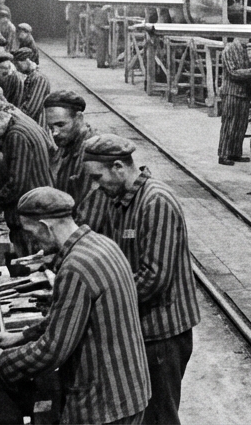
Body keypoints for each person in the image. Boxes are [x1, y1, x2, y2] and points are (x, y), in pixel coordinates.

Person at [0, 187, 150, 425]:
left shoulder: (75, 267)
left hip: (103, 404)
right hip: (128, 390)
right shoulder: (102, 245)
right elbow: (67, 317)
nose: (32, 241)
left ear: (45, 226)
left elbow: (53, 350)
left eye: (31, 232)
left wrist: (3, 360)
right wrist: (21, 336)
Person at [77, 136, 200, 425]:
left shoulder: (156, 202)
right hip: (139, 328)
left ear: (119, 166)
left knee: (159, 417)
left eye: (97, 177)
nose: (95, 185)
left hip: (162, 333)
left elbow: (153, 278)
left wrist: (99, 301)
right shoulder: (118, 200)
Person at [0, 100, 53, 256]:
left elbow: (16, 183)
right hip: (37, 207)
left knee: (28, 260)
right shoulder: (21, 123)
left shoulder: (16, 135)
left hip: (29, 214)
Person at [45, 91, 94, 202]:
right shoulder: (66, 144)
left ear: (79, 118)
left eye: (60, 125)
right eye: (50, 127)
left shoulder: (91, 154)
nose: (54, 133)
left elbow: (87, 213)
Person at [217, 37, 251, 166]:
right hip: (231, 92)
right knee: (229, 124)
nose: (249, 39)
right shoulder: (228, 50)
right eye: (246, 36)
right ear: (239, 36)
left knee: (241, 125)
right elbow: (233, 72)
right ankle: (223, 155)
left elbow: (246, 63)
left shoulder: (244, 50)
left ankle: (235, 153)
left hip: (244, 93)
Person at [14, 47, 51, 124]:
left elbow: (30, 110)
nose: (17, 67)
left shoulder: (40, 79)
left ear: (27, 60)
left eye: (18, 63)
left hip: (37, 125)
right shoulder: (31, 77)